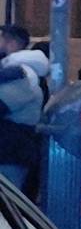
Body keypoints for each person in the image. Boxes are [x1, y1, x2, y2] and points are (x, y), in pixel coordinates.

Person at [0, 27, 51, 195]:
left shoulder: (19, 74)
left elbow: (3, 104)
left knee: (7, 205)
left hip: (10, 151)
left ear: (12, 42)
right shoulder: (21, 71)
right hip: (13, 149)